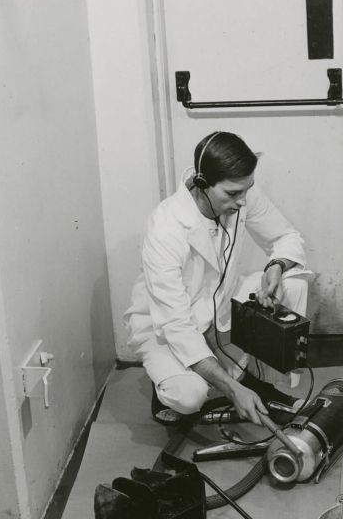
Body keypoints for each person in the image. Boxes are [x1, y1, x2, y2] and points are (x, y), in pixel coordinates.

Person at [124, 131, 310, 426]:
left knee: (293, 281)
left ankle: (262, 384)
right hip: (167, 323)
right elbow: (176, 323)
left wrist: (276, 265)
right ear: (202, 184)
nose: (242, 201)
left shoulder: (241, 192)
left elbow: (286, 236)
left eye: (246, 190)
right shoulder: (165, 227)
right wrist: (232, 390)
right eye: (232, 194)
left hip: (218, 305)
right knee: (189, 397)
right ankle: (165, 383)